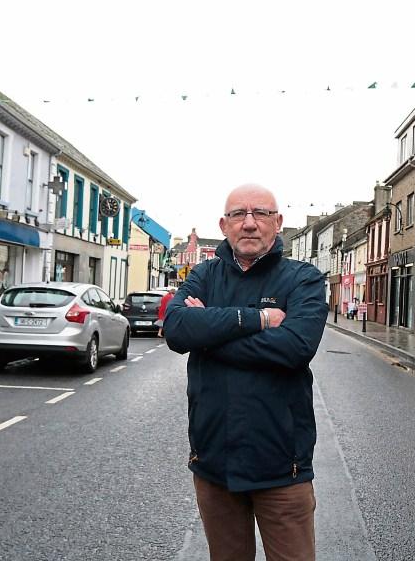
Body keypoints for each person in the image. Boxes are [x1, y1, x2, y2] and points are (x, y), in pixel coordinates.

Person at [164, 184, 329, 561]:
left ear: (278, 223)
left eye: (261, 214)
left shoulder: (303, 279)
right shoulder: (204, 274)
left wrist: (208, 331)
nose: (250, 224)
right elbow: (176, 329)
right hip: (213, 464)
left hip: (280, 467)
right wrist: (257, 319)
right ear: (224, 225)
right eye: (239, 215)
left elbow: (294, 348)